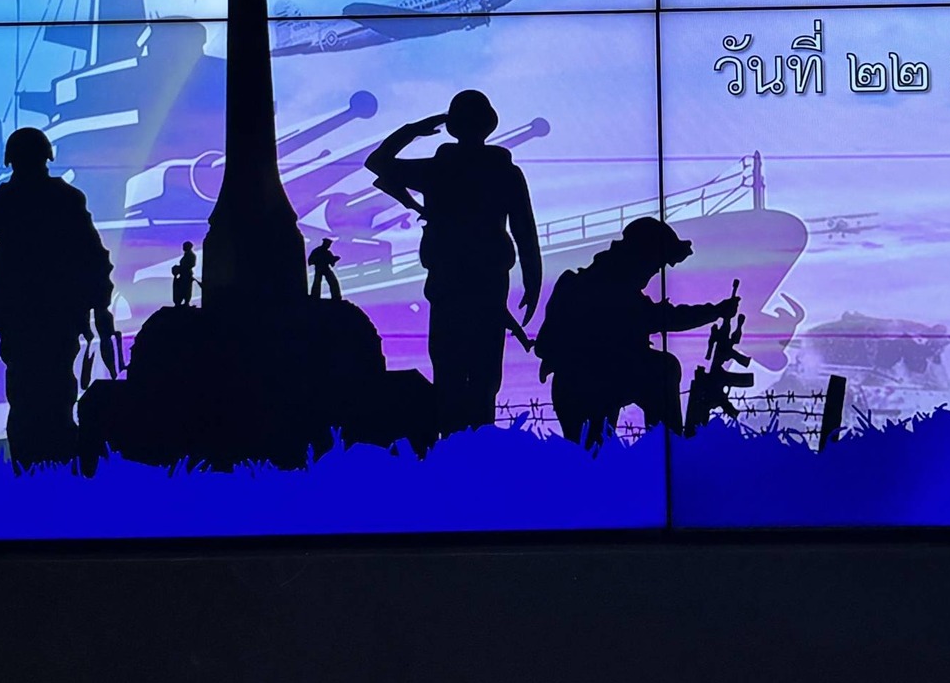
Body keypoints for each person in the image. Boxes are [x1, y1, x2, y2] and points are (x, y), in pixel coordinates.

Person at [366, 90, 540, 435]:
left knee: (453, 370)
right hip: (481, 283)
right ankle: (474, 442)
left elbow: (378, 161)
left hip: (454, 283)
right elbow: (525, 232)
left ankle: (455, 443)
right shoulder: (502, 172)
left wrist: (414, 130)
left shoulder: (437, 170)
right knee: (480, 373)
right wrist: (532, 279)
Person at [0, 128, 114, 467]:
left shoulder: (10, 199)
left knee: (32, 394)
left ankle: (40, 466)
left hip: (32, 318)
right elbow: (94, 256)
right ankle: (51, 465)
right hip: (47, 317)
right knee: (48, 392)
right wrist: (99, 306)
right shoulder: (62, 198)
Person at [533, 216, 738, 447]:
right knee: (663, 369)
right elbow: (663, 318)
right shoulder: (612, 290)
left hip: (581, 388)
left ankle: (664, 446)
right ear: (640, 257)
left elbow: (544, 345)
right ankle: (665, 446)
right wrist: (716, 311)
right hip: (588, 390)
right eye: (654, 266)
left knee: (592, 454)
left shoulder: (582, 282)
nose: (653, 274)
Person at [308, 236, 343, 301]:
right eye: (328, 244)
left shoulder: (327, 252)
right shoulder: (317, 251)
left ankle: (336, 297)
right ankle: (315, 296)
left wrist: (334, 259)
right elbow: (310, 260)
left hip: (325, 268)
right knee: (317, 282)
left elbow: (331, 262)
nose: (329, 246)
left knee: (333, 281)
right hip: (319, 268)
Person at [171, 241, 197, 308]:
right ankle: (180, 302)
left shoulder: (192, 255)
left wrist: (181, 268)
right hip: (182, 275)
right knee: (180, 289)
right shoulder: (186, 255)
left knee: (186, 289)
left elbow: (192, 264)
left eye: (185, 246)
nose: (183, 248)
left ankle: (186, 302)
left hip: (187, 275)